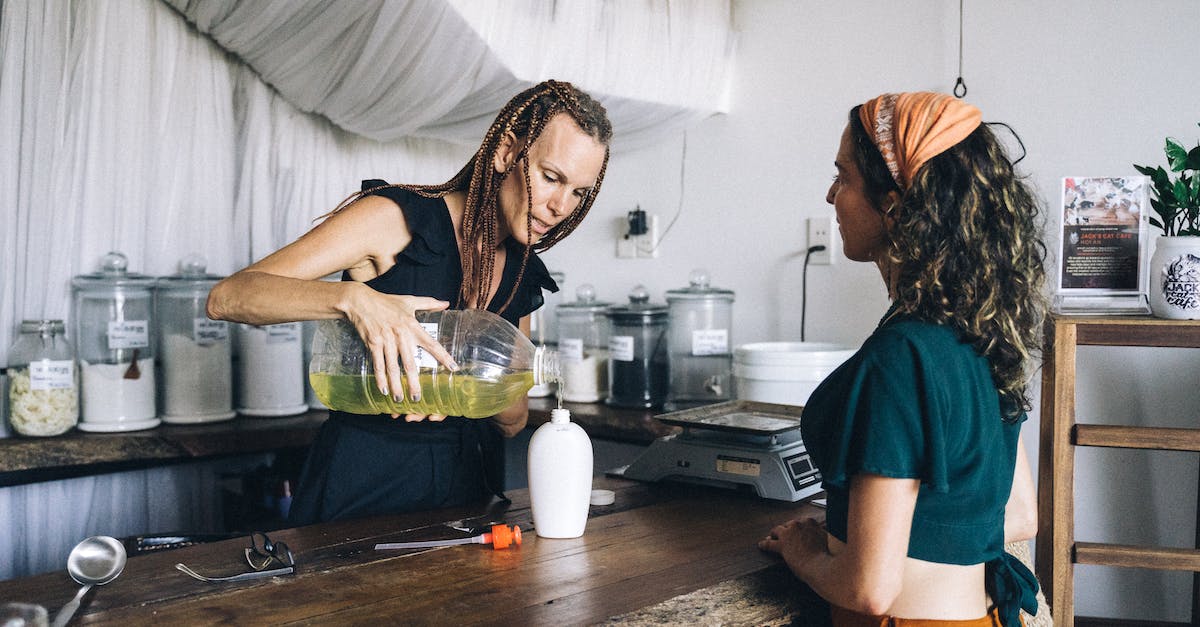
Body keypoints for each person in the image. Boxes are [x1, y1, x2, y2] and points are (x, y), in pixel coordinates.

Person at [207, 80, 612, 525]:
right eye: (551, 177)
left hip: (465, 495)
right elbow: (229, 297)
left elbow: (513, 419)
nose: (560, 206)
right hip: (360, 488)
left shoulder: (521, 268)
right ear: (505, 153)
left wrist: (466, 379)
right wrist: (354, 300)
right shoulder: (396, 220)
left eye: (578, 192)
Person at [758, 92, 1044, 627]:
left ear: (893, 201)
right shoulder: (982, 330)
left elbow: (869, 590)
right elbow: (1019, 514)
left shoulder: (901, 356)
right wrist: (871, 534)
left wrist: (807, 553)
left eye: (842, 177)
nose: (830, 195)